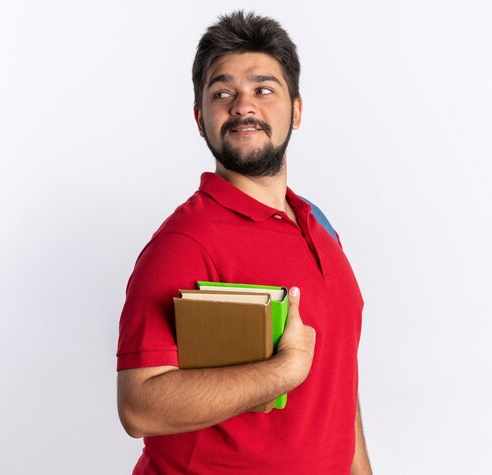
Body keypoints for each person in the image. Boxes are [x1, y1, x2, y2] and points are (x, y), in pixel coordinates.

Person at [116, 10, 372, 475]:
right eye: (222, 93)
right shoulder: (185, 242)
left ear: (296, 109)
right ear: (200, 118)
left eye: (263, 89)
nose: (242, 106)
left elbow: (338, 387)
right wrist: (283, 371)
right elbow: (139, 407)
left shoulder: (321, 226)